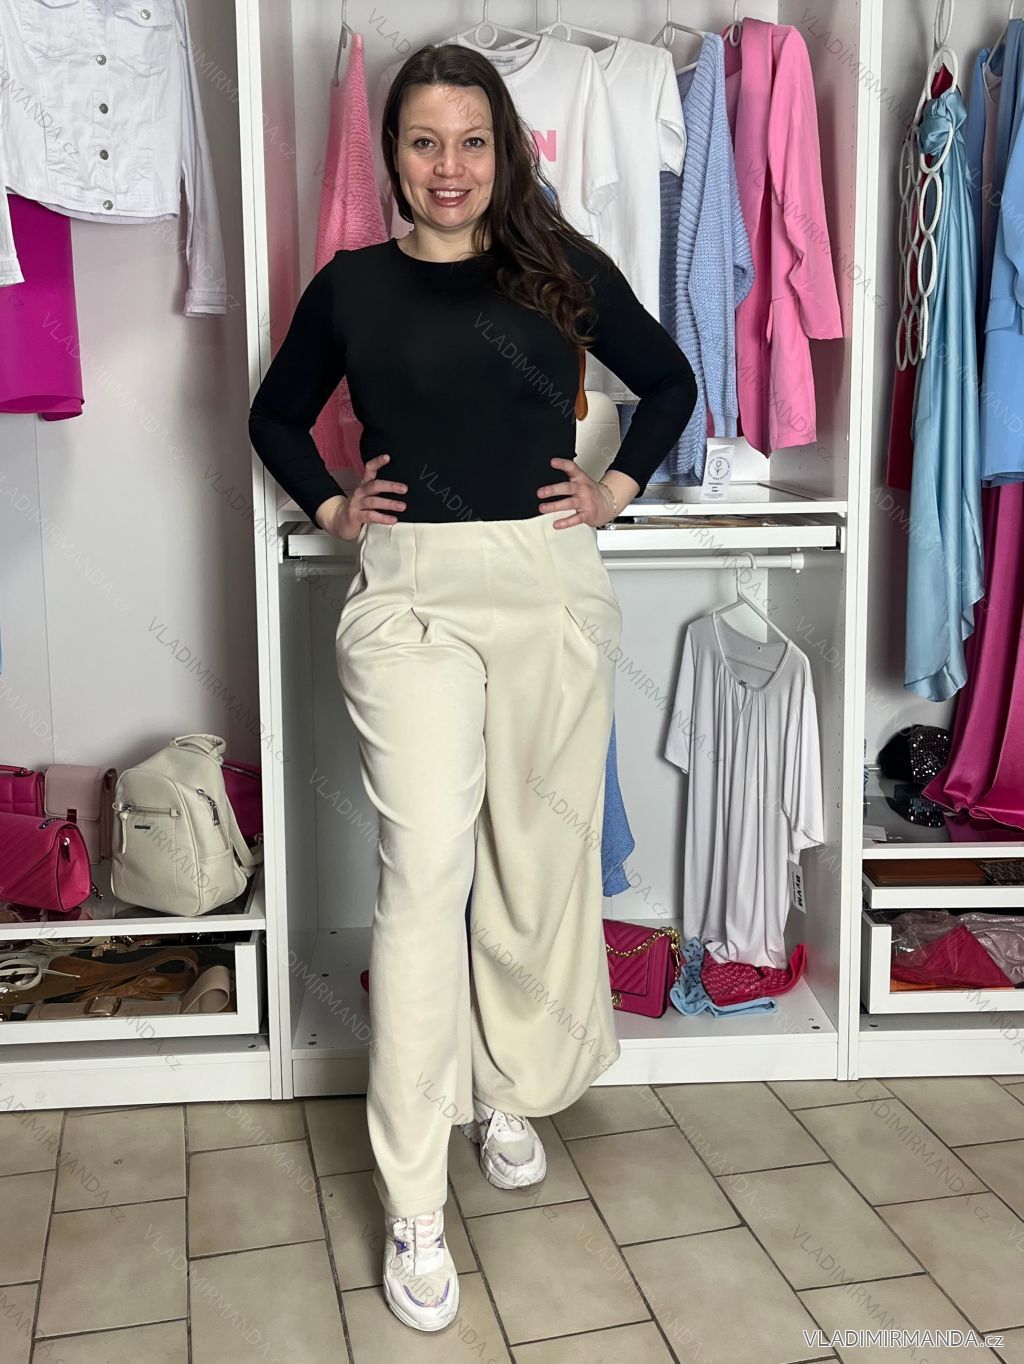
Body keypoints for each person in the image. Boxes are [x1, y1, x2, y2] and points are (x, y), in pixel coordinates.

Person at [248, 42, 696, 1335]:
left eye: (472, 142)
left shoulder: (558, 269)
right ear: (392, 155)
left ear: (506, 151)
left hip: (547, 585)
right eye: (423, 142)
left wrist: (614, 489)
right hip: (412, 599)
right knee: (427, 869)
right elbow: (276, 416)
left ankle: (505, 1088)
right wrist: (334, 505)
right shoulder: (351, 286)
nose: (449, 168)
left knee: (532, 859)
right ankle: (412, 1200)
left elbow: (670, 381)